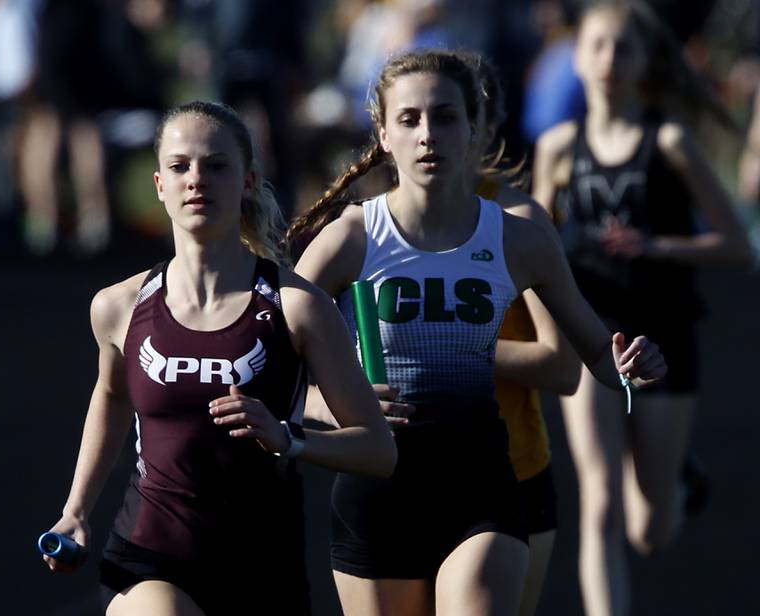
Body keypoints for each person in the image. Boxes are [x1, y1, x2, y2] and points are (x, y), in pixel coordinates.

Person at [288, 49, 666, 616]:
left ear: (474, 128)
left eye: (445, 117)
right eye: (410, 119)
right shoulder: (350, 239)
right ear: (384, 134)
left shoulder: (520, 238)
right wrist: (323, 404)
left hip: (483, 485)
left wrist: (630, 369)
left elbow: (596, 363)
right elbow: (265, 358)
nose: (428, 134)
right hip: (379, 489)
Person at [41, 100, 397, 616]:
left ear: (249, 180)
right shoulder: (118, 306)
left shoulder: (297, 307)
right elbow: (113, 395)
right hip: (149, 556)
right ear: (160, 185)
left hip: (262, 572)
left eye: (216, 165)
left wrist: (288, 437)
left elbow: (377, 450)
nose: (196, 180)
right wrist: (75, 511)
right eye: (180, 167)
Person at [531, 2, 752, 615]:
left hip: (665, 335)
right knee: (599, 500)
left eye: (623, 48)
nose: (609, 60)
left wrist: (656, 245)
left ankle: (678, 479)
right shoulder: (557, 148)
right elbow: (534, 245)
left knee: (649, 531)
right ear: (576, 56)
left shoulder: (671, 141)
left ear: (646, 60)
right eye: (598, 46)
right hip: (593, 336)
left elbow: (736, 244)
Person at [467, 52, 580, 616]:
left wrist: (454, 355)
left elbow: (562, 366)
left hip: (513, 472)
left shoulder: (519, 221)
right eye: (417, 117)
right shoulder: (366, 228)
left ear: (488, 127)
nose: (438, 133)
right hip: (400, 476)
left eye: (458, 114)